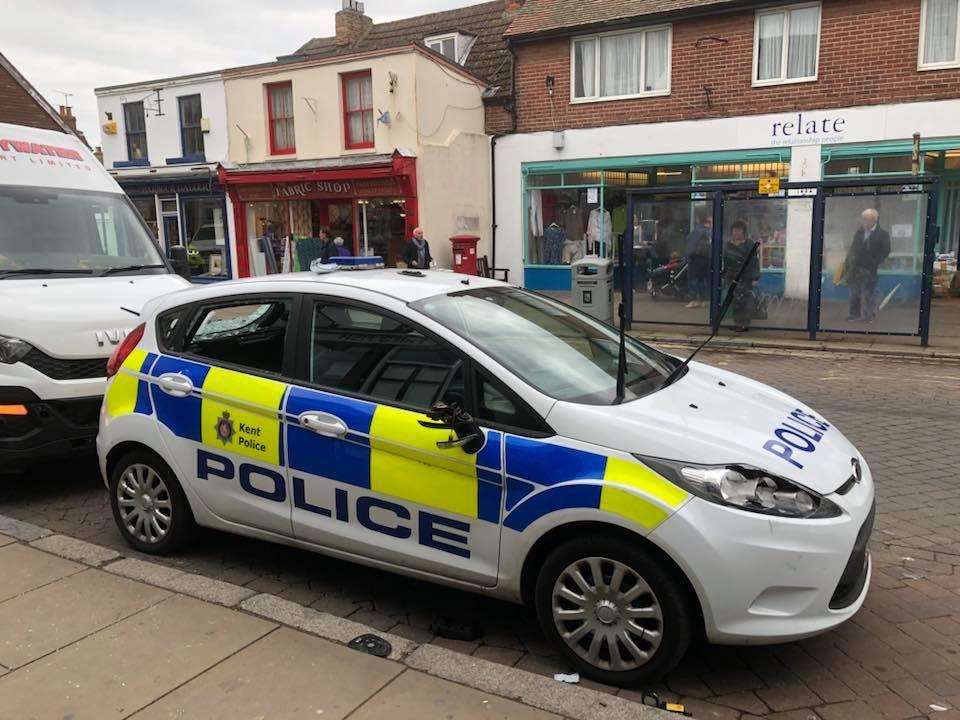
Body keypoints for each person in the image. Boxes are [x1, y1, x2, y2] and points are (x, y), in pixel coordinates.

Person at [843, 208, 891, 322]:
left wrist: (874, 262)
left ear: (874, 220)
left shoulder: (882, 234)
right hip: (855, 268)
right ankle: (854, 314)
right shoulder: (859, 232)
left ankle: (867, 316)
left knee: (868, 293)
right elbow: (853, 249)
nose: (864, 222)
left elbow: (885, 251)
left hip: (870, 269)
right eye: (863, 219)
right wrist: (847, 263)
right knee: (854, 293)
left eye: (867, 220)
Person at [723, 220, 760, 332]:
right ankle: (737, 322)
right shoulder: (728, 244)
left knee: (744, 300)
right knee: (734, 300)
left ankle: (744, 323)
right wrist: (724, 274)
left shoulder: (748, 244)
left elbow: (754, 261)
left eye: (739, 230)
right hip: (731, 277)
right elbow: (725, 260)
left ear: (743, 231)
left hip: (745, 277)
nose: (736, 233)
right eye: (734, 230)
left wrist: (755, 277)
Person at [684, 211, 712, 309]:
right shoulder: (709, 230)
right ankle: (703, 300)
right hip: (707, 258)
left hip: (696, 258)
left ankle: (694, 299)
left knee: (692, 278)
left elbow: (691, 244)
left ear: (698, 219)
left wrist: (687, 257)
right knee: (702, 279)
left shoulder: (698, 230)